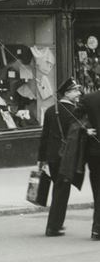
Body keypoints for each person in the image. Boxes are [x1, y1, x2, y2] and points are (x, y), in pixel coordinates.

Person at [37, 76, 82, 236]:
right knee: (62, 191)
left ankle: (55, 224)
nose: (78, 93)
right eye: (75, 90)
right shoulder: (75, 112)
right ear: (67, 93)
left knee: (58, 188)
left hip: (52, 156)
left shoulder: (50, 110)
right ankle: (53, 226)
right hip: (66, 157)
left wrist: (41, 159)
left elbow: (44, 137)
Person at [76, 83, 100, 239]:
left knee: (97, 190)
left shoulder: (88, 99)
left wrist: (85, 130)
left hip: (94, 152)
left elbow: (73, 119)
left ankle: (97, 228)